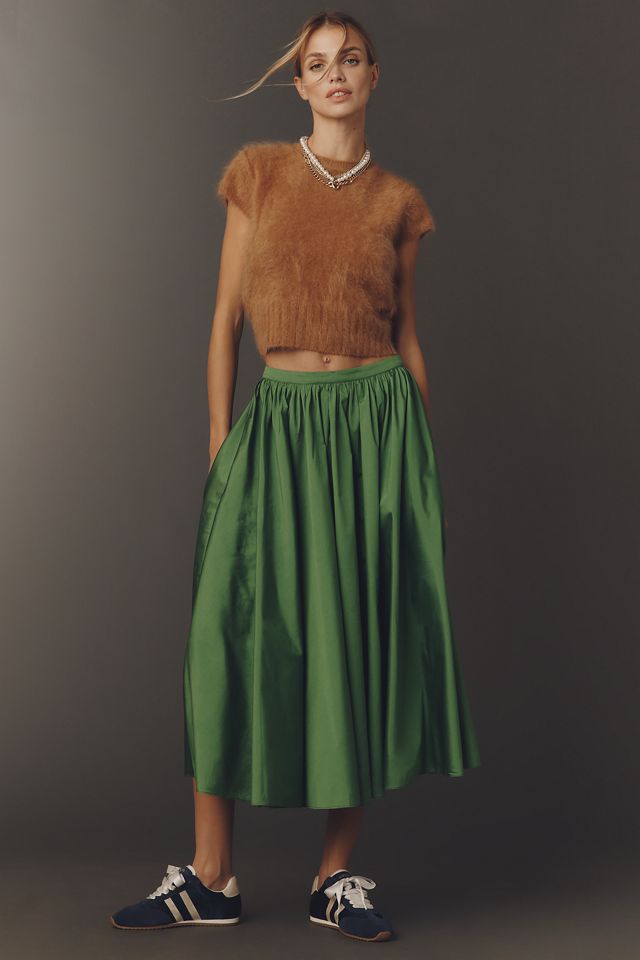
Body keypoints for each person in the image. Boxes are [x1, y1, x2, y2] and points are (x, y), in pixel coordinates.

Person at [110, 11, 481, 943]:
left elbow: (406, 336)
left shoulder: (399, 203)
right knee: (224, 638)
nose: (335, 74)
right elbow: (225, 319)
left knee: (353, 639)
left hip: (375, 430)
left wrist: (418, 462)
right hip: (277, 425)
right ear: (301, 84)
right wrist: (219, 442)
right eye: (318, 64)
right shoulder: (259, 175)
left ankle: (334, 877)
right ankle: (210, 879)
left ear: (373, 75)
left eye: (350, 59)